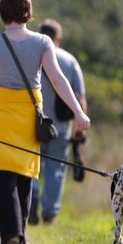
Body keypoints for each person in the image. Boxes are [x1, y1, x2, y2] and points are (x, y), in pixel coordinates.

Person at [0, 0, 90, 244]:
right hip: (28, 117)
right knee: (25, 175)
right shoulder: (43, 43)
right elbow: (58, 80)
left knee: (2, 177)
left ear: (2, 13)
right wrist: (79, 112)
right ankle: (21, 237)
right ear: (29, 13)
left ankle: (10, 234)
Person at [29, 19, 87, 225]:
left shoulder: (31, 55)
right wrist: (80, 127)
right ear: (58, 39)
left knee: (32, 163)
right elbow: (80, 96)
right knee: (57, 168)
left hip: (32, 122)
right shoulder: (70, 61)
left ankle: (32, 194)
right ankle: (49, 213)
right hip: (61, 126)